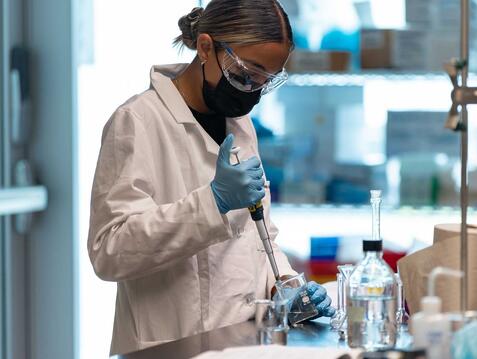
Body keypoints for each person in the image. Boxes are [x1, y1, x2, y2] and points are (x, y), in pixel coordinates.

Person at [87, 1, 334, 355]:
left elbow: (257, 235)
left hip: (241, 342)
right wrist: (211, 203)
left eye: (266, 81)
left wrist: (285, 286)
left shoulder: (239, 124)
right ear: (206, 47)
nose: (251, 91)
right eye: (245, 74)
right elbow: (110, 250)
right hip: (169, 346)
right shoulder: (137, 122)